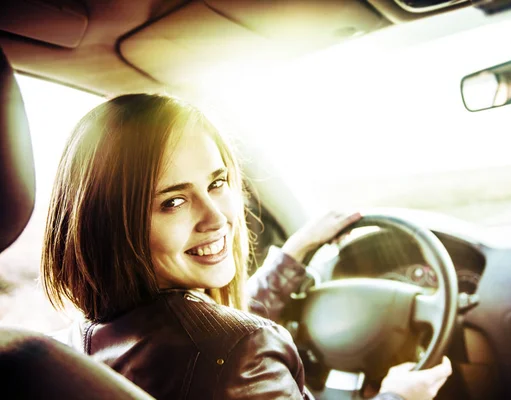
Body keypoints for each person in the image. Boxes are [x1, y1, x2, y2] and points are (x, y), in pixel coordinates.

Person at [41, 94, 452, 399]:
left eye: (218, 183)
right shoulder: (244, 354)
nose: (217, 218)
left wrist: (293, 254)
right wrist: (398, 396)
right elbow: (225, 347)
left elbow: (205, 338)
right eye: (174, 202)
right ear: (110, 224)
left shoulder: (73, 346)